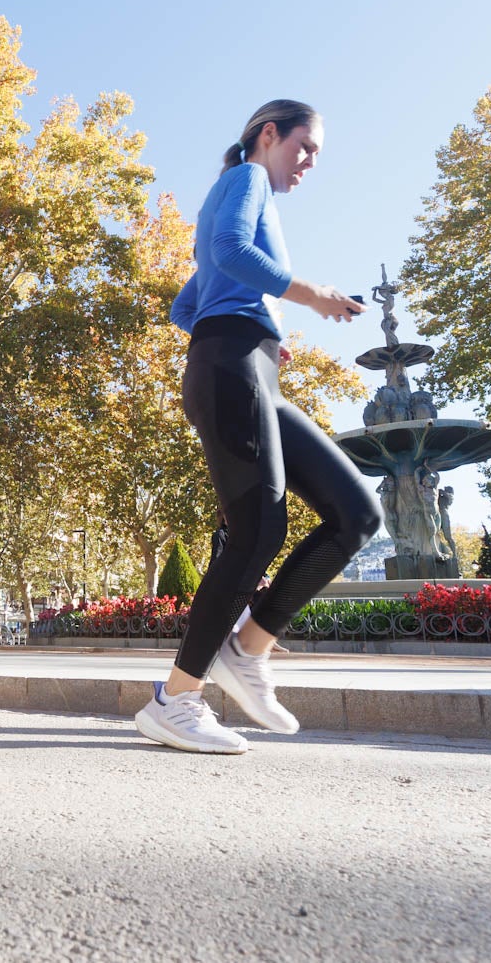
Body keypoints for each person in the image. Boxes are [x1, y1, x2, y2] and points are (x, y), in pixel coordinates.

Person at [137, 100, 381, 755]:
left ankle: (248, 646)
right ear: (267, 134)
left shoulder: (238, 191)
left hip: (245, 365)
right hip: (230, 369)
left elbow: (186, 303)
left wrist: (258, 332)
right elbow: (230, 251)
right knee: (258, 530)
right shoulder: (244, 179)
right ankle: (175, 699)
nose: (308, 163)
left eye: (316, 156)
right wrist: (308, 296)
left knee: (356, 512)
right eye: (304, 147)